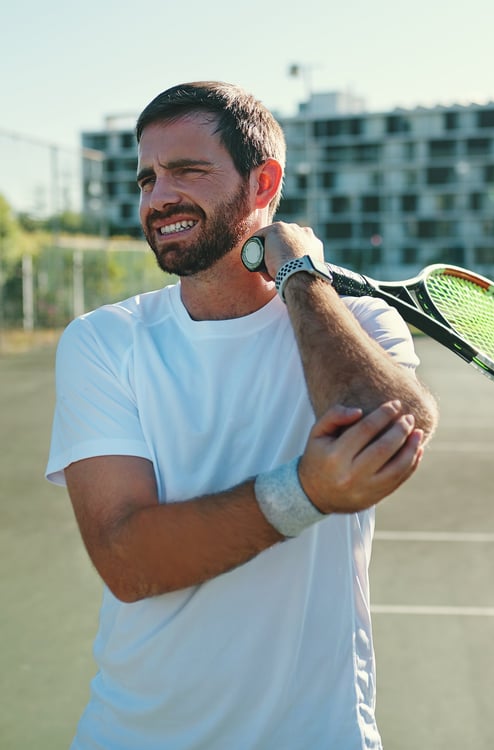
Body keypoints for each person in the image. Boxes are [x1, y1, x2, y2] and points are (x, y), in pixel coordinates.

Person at [46, 80, 438, 750]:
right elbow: (126, 559)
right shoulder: (104, 340)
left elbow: (390, 433)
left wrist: (302, 280)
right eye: (146, 178)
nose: (158, 196)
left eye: (187, 171)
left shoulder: (362, 319)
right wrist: (306, 492)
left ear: (264, 183)